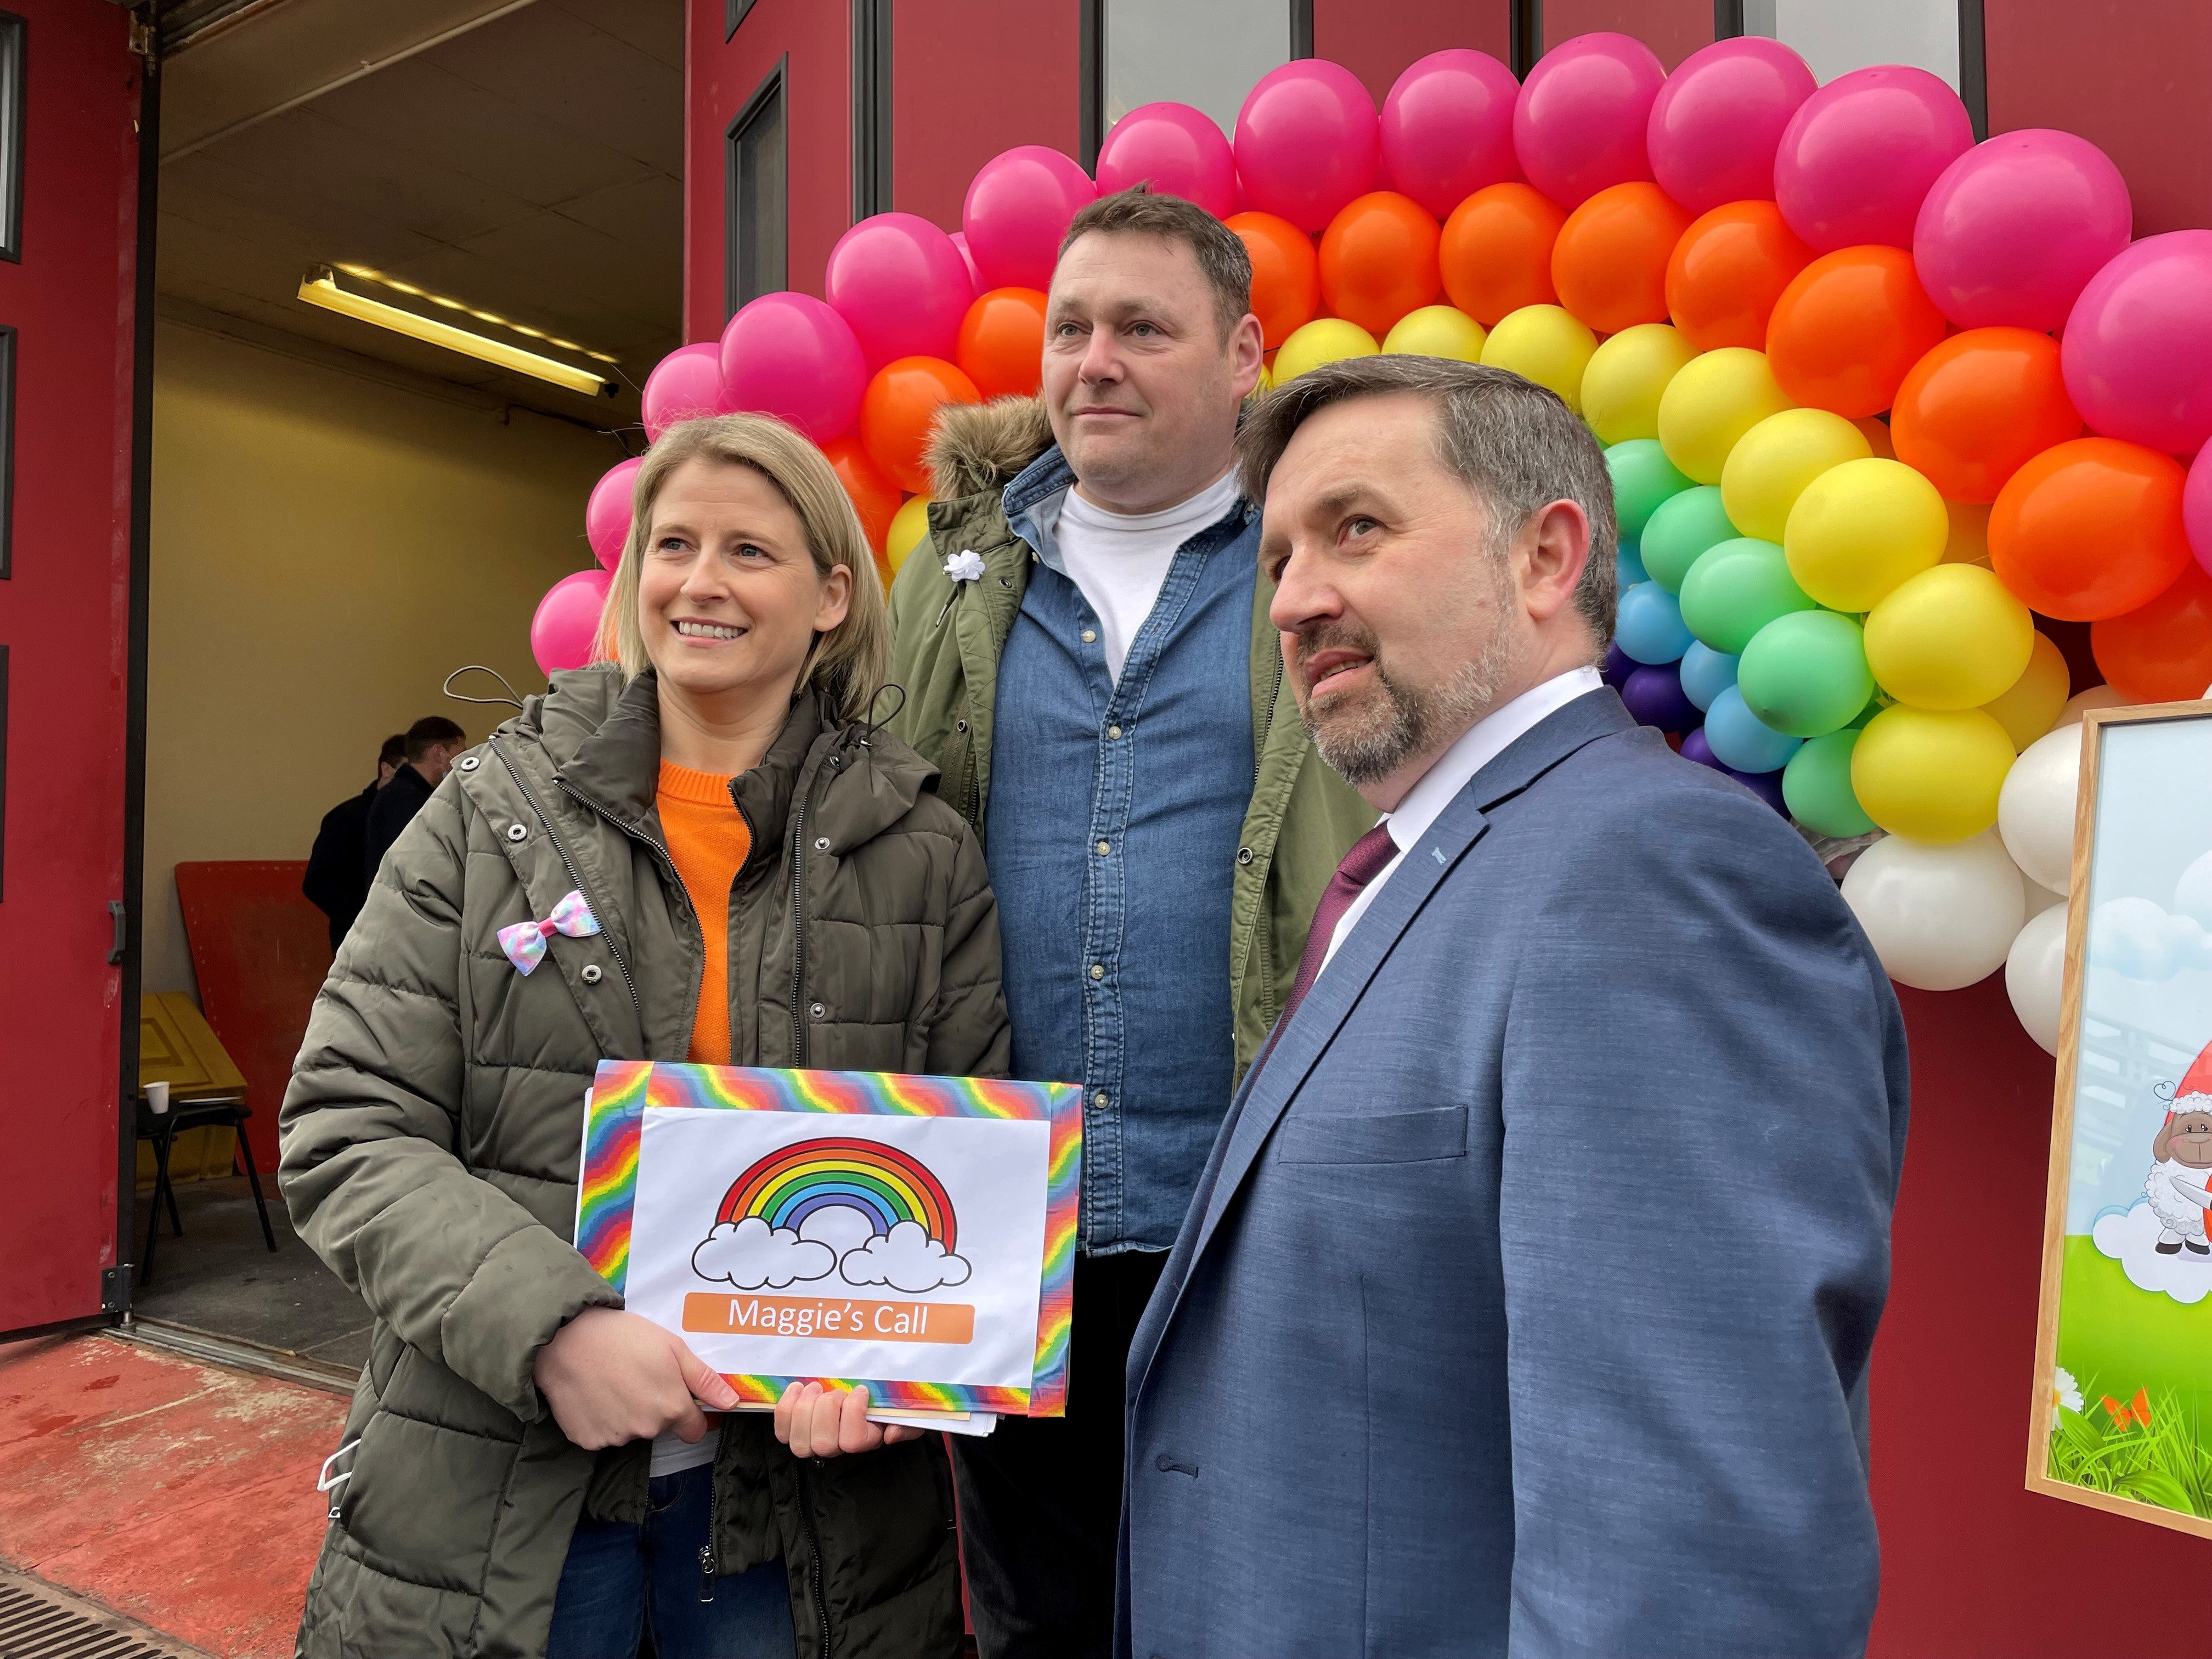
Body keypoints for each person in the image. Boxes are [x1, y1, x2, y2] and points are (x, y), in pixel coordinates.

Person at [1118, 356, 1910, 1658]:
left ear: (1547, 558)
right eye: (1276, 562)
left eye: (1356, 528)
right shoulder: (1416, 869)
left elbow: (1684, 1566)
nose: (1297, 598)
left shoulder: (1652, 879)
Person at [281, 413, 1007, 1659]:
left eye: (749, 551)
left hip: (801, 1527)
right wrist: (551, 1328)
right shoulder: (490, 815)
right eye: (672, 544)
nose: (701, 582)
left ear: (834, 595)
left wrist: (891, 1371)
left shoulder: (924, 847)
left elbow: (970, 1180)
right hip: (507, 1500)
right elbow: (349, 1124)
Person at [885, 184, 1373, 1658]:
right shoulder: (953, 573)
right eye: (1073, 326)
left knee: (1252, 1611)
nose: (1094, 359)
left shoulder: (1324, 568)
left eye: (1142, 329)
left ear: (1243, 356)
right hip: (997, 1215)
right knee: (1037, 1621)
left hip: (1253, 1211)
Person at [302, 732, 404, 951]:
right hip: (357, 938)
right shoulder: (346, 818)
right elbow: (317, 883)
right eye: (407, 774)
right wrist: (362, 916)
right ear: (387, 770)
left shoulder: (419, 815)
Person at [362, 714, 467, 883]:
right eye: (460, 755)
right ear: (438, 753)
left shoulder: (403, 793)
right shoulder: (405, 800)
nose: (463, 763)